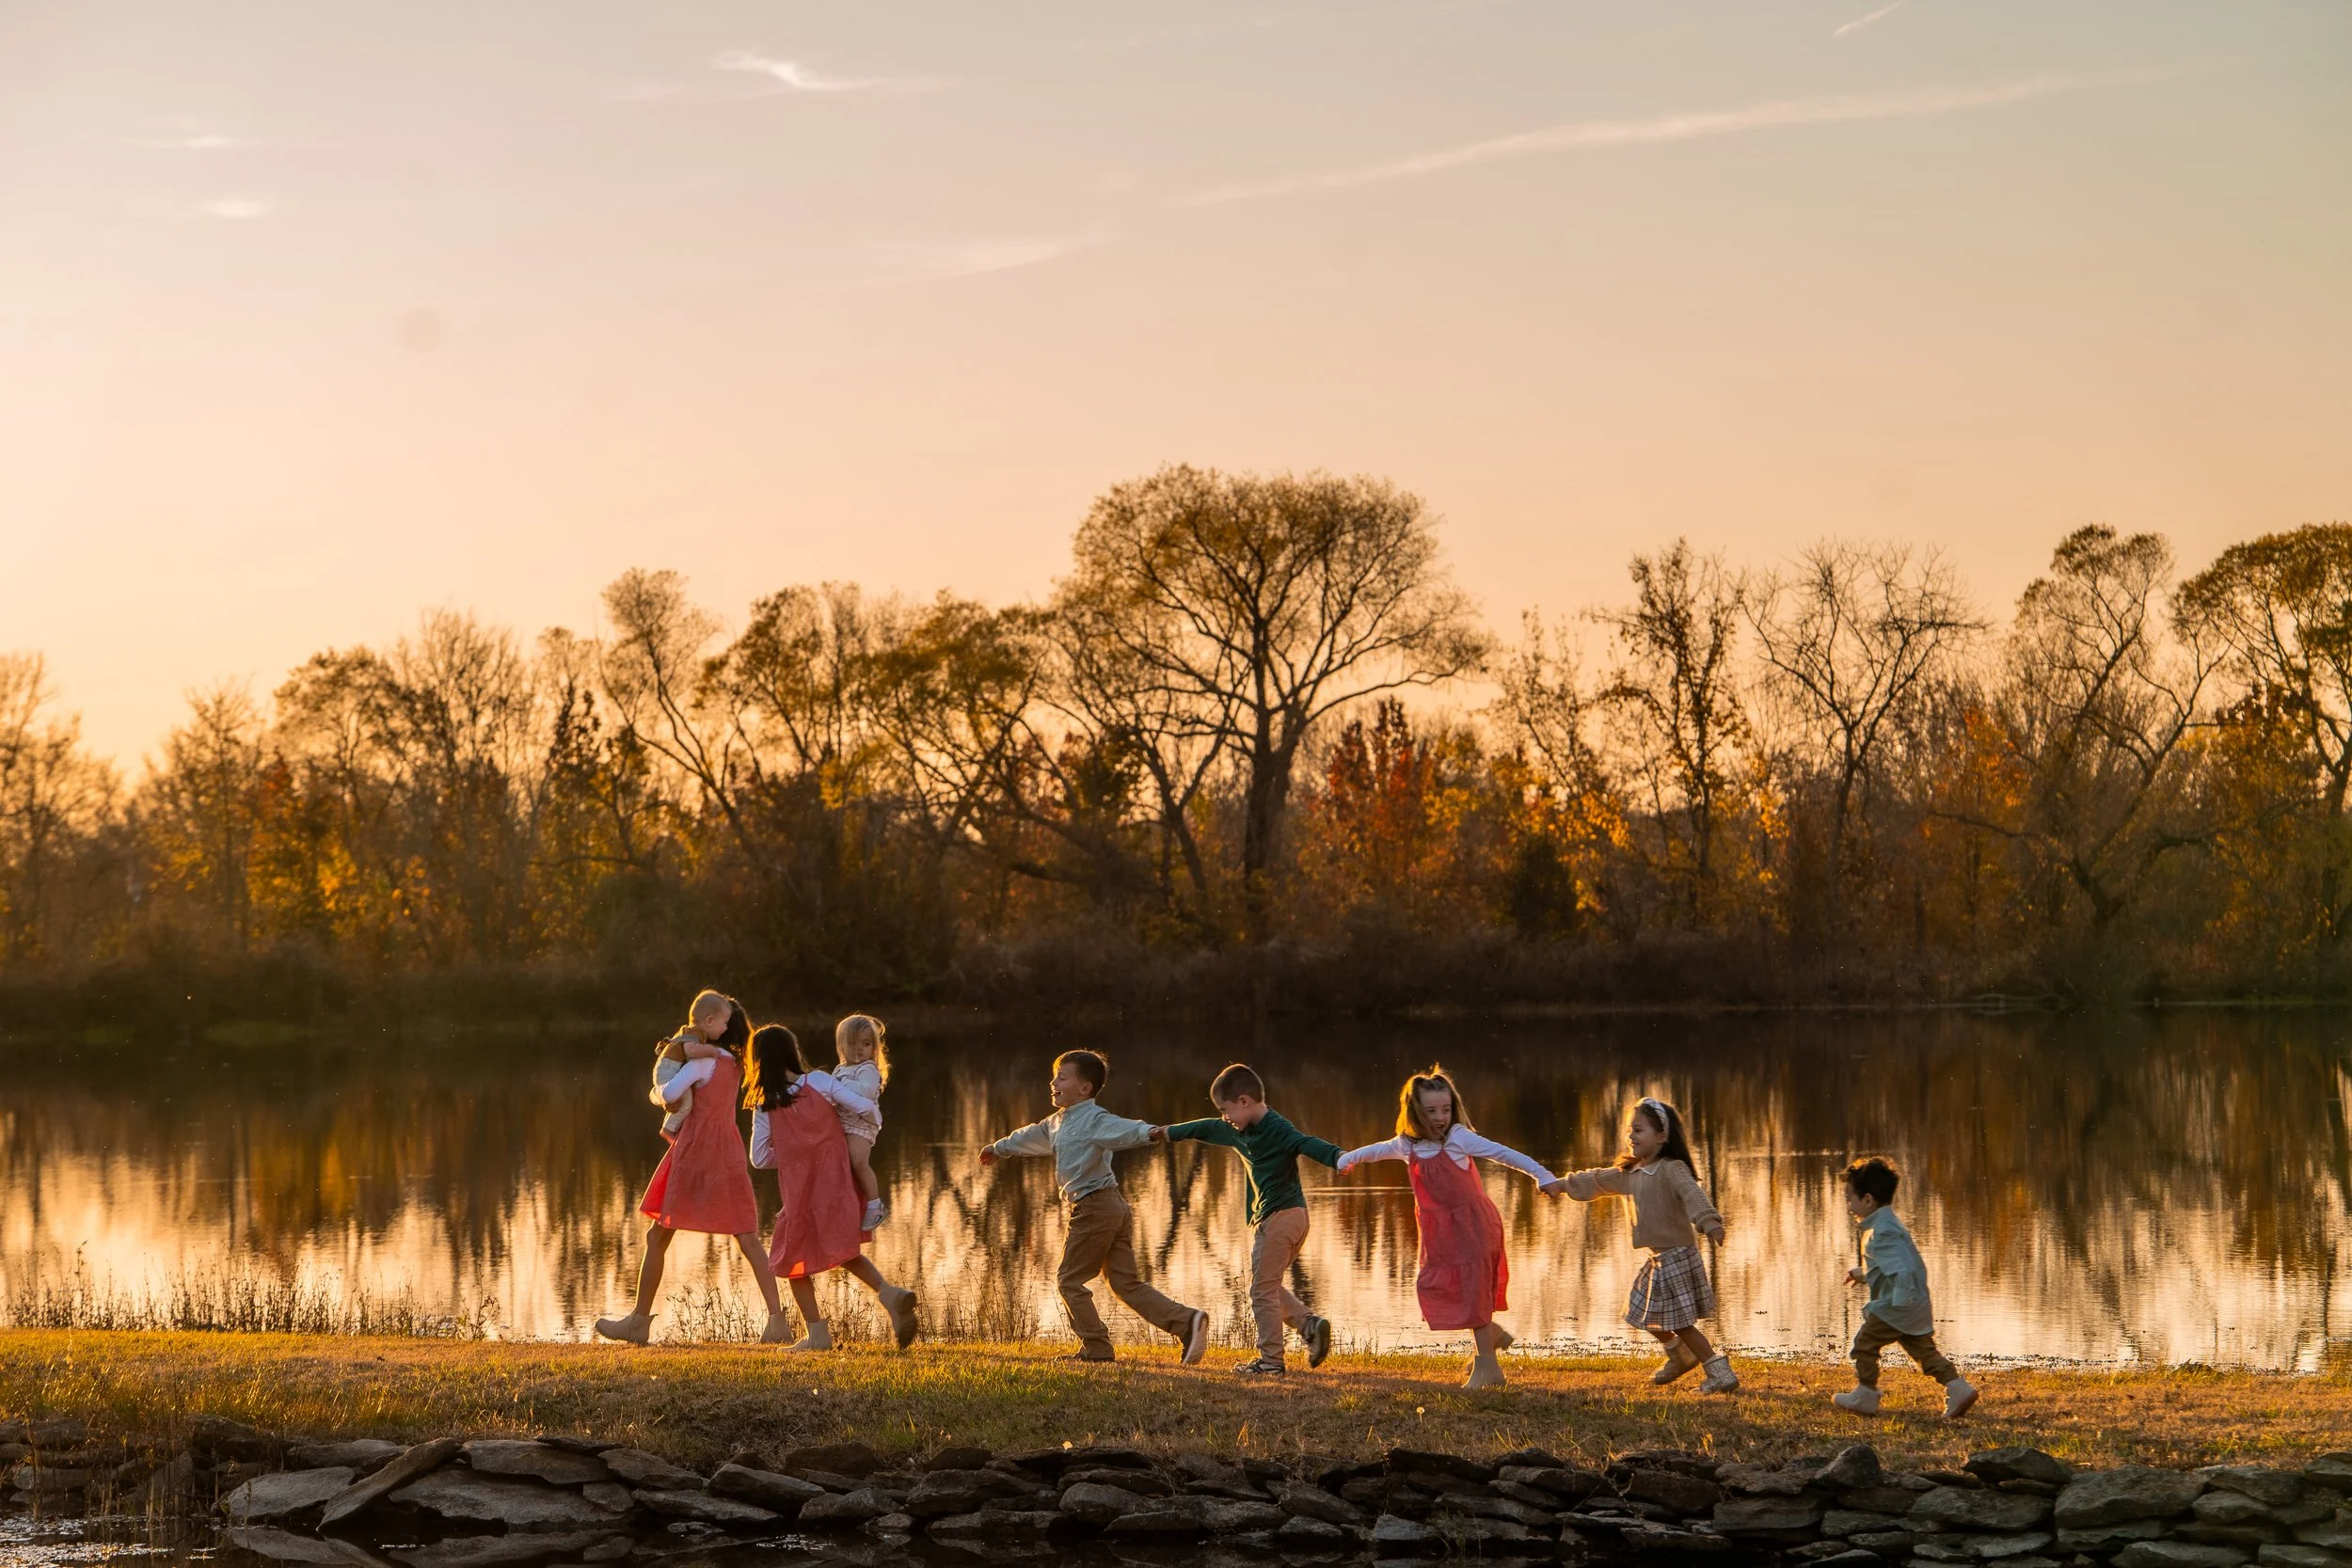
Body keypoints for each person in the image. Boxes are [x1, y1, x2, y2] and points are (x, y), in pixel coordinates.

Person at [979, 1049, 1210, 1365]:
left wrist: (1150, 1133)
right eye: (1054, 1075)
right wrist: (999, 1147)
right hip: (1111, 1206)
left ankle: (1096, 1348)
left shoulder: (1093, 1119)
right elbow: (1030, 1135)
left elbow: (1124, 1128)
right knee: (1124, 1283)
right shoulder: (1057, 1122)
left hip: (1095, 1207)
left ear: (1085, 1088)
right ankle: (1187, 1323)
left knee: (1069, 1280)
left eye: (1062, 1077)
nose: (1053, 1082)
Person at [1336, 1065, 1557, 1388]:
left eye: (1446, 1109)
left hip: (1474, 1226)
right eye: (1431, 1111)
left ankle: (1488, 1368)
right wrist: (1347, 1159)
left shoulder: (1458, 1138)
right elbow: (1377, 1151)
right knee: (1445, 1287)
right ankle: (1490, 1337)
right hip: (1440, 1234)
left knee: (1473, 1289)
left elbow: (1505, 1154)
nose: (1440, 1117)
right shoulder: (1407, 1146)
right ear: (1414, 1112)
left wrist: (1543, 1175)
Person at [596, 992, 788, 1346]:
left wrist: (656, 1093)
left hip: (697, 1149)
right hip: (727, 1148)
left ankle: (639, 1322)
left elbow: (668, 1092)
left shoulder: (702, 1063)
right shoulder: (735, 1063)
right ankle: (777, 1322)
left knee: (658, 1236)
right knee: (747, 1235)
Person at [1152, 1063, 1343, 1378]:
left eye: (1226, 1109)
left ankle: (1270, 1363)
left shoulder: (1277, 1128)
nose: (1224, 1117)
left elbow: (1304, 1142)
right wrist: (1168, 1132)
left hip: (1279, 1218)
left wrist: (1338, 1157)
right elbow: (1204, 1127)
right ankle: (1310, 1325)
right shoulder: (1236, 1128)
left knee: (1261, 1292)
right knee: (1266, 1286)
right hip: (1294, 1218)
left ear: (1244, 1101)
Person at [745, 1022, 920, 1352]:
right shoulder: (822, 1081)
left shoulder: (764, 1104)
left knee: (789, 1260)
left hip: (801, 1192)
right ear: (792, 1052)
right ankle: (889, 1294)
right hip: (837, 1182)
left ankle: (817, 1334)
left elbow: (758, 1158)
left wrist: (795, 1154)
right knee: (844, 1249)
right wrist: (859, 1131)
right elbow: (864, 1108)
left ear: (758, 1063)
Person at [1549, 1096, 1738, 1393]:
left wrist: (1710, 1222)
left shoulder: (1672, 1169)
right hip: (1657, 1259)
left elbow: (1693, 1194)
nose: (1631, 1137)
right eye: (1630, 1130)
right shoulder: (1632, 1173)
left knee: (1683, 1323)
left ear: (1661, 1135)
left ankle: (1719, 1371)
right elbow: (1596, 1180)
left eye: (1638, 1130)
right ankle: (1680, 1355)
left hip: (1678, 1255)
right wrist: (1560, 1185)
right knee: (1642, 1313)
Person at [1834, 1155, 1979, 1418]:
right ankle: (1958, 1388)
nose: (1848, 1205)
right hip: (1914, 1306)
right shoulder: (1888, 1225)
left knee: (1864, 1344)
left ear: (1867, 1200)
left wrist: (1898, 1303)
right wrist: (1864, 1273)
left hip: (1897, 1307)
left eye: (1849, 1198)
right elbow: (1894, 1266)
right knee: (1924, 1352)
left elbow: (1903, 1269)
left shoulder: (1882, 1232)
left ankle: (1866, 1394)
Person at [831, 1014, 890, 1230]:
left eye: (865, 1044)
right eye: (853, 1043)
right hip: (842, 1123)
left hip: (862, 1125)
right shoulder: (839, 1070)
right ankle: (845, 1204)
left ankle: (875, 1206)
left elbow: (865, 1091)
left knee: (858, 1161)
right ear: (842, 1044)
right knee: (838, 1163)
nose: (859, 1049)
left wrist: (838, 1086)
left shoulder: (868, 1069)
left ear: (874, 1048)